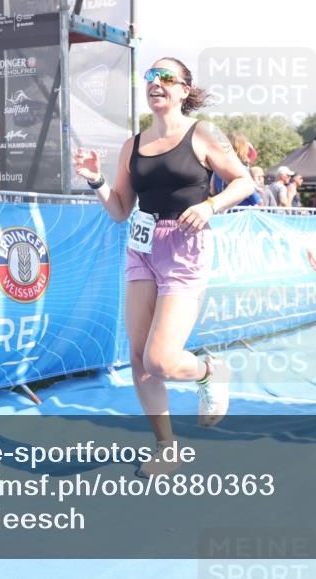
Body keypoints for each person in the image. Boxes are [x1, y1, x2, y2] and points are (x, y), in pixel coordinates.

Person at [73, 57, 254, 477]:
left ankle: (210, 371)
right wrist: (96, 181)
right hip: (141, 246)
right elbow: (119, 210)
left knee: (162, 360)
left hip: (185, 248)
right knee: (138, 358)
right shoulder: (132, 145)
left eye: (166, 77)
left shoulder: (203, 133)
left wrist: (210, 205)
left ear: (184, 90)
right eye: (150, 76)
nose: (156, 83)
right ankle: (167, 447)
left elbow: (245, 182)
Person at [211, 132, 259, 206]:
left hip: (224, 211)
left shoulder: (217, 169)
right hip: (242, 213)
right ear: (242, 148)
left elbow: (213, 191)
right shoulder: (241, 169)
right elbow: (254, 197)